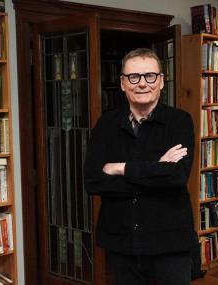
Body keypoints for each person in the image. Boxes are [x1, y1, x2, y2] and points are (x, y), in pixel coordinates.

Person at [84, 48, 197, 285]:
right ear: (123, 84)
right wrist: (156, 169)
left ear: (161, 81)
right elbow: (93, 180)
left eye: (150, 76)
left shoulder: (180, 121)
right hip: (122, 243)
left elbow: (176, 177)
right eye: (133, 77)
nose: (142, 84)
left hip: (169, 243)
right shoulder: (106, 124)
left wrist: (120, 168)